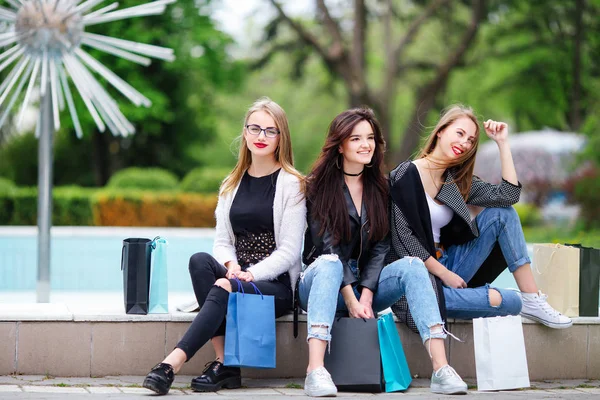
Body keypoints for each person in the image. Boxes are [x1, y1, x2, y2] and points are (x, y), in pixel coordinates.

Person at [299, 108, 468, 397]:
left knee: (414, 265)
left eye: (370, 138)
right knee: (329, 262)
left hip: (366, 290)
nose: (366, 145)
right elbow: (328, 246)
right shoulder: (317, 186)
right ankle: (315, 370)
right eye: (356, 139)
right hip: (320, 286)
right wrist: (352, 299)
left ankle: (441, 369)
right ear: (340, 145)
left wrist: (365, 295)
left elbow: (381, 246)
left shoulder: (381, 187)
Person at [142, 97, 306, 395]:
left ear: (282, 137)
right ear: (244, 132)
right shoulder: (231, 183)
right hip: (235, 276)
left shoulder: (292, 184)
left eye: (270, 131)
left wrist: (250, 274)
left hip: (274, 285)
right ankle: (225, 365)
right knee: (200, 260)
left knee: (223, 285)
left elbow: (290, 251)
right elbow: (222, 242)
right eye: (255, 128)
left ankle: (171, 364)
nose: (261, 136)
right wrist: (232, 267)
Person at [388, 104, 572, 330]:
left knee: (502, 213)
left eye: (471, 140)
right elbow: (403, 241)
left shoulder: (456, 181)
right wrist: (445, 275)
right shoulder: (404, 175)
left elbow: (508, 195)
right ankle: (498, 299)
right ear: (440, 132)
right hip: (420, 279)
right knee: (511, 301)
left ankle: (532, 298)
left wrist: (503, 143)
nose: (465, 143)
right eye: (460, 133)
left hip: (452, 265)